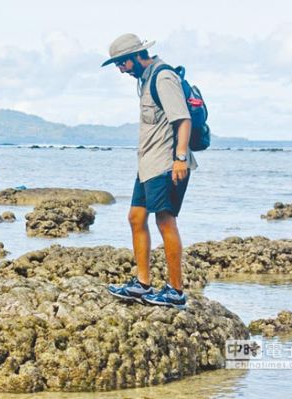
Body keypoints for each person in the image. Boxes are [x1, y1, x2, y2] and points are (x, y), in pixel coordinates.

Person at [102, 33, 197, 310]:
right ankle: (142, 284)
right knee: (135, 217)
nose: (121, 69)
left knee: (165, 221)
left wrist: (180, 159)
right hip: (148, 164)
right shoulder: (145, 80)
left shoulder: (163, 77)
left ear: (136, 56)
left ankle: (176, 291)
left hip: (167, 163)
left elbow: (183, 120)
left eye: (123, 63)